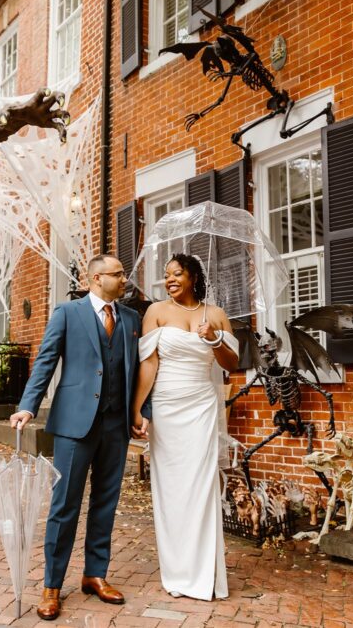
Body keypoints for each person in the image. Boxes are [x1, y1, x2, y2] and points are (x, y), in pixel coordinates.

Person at [9, 254, 141, 620]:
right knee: (65, 505)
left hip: (116, 426)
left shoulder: (131, 320)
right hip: (74, 425)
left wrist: (139, 414)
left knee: (105, 502)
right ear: (96, 279)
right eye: (118, 274)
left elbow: (138, 370)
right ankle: (52, 584)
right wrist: (28, 406)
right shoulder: (67, 313)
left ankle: (95, 574)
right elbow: (46, 361)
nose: (124, 279)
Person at [130, 253, 239, 600]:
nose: (170, 280)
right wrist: (138, 409)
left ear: (193, 276)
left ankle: (204, 573)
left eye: (177, 273)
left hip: (202, 407)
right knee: (172, 489)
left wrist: (213, 339)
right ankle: (177, 570)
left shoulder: (216, 315)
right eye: (167, 275)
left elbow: (232, 363)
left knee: (201, 486)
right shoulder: (156, 312)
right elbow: (149, 364)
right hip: (166, 406)